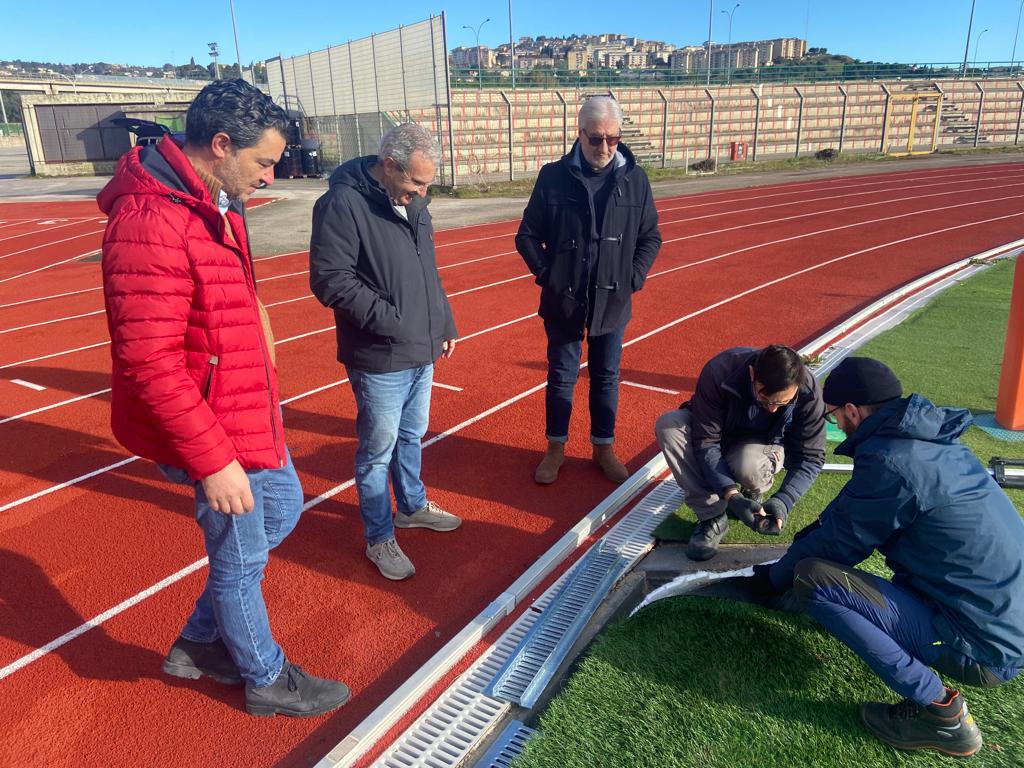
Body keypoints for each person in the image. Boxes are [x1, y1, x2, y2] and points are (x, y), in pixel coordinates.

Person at [98, 79, 350, 718]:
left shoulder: (214, 199)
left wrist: (259, 327)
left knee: (282, 508)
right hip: (207, 423)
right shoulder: (150, 220)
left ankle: (200, 641)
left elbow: (225, 293)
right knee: (239, 557)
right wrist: (212, 460)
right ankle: (265, 677)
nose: (270, 175)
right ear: (219, 144)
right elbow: (148, 362)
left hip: (243, 401)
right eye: (263, 162)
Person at [750, 357, 1024, 758]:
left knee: (813, 578)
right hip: (1005, 625)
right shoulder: (930, 444)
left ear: (852, 411)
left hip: (980, 649)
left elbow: (840, 545)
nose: (835, 425)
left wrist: (772, 581)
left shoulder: (892, 462)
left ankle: (942, 713)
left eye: (833, 416)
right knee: (831, 572)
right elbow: (851, 508)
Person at [309, 123, 460, 582]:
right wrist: (392, 322)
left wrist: (443, 322)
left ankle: (411, 507)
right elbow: (331, 279)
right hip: (379, 355)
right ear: (389, 165)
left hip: (422, 346)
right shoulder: (342, 204)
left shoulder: (414, 204)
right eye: (416, 181)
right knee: (377, 452)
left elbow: (427, 272)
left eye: (428, 182)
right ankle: (379, 537)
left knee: (413, 435)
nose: (422, 191)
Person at [516, 95, 661, 486]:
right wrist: (549, 274)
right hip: (565, 299)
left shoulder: (636, 179)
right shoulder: (553, 176)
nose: (604, 147)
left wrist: (633, 277)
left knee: (606, 376)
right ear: (579, 134)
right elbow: (527, 236)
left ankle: (603, 447)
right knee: (562, 376)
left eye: (612, 139)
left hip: (613, 298)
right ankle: (555, 449)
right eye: (596, 138)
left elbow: (650, 238)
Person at [655, 344, 826, 561]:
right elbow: (706, 441)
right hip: (719, 434)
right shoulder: (719, 371)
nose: (773, 409)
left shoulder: (808, 391)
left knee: (748, 466)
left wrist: (785, 499)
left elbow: (811, 457)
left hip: (762, 446)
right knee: (670, 426)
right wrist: (730, 495)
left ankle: (753, 488)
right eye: (765, 399)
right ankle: (713, 517)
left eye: (783, 403)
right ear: (752, 373)